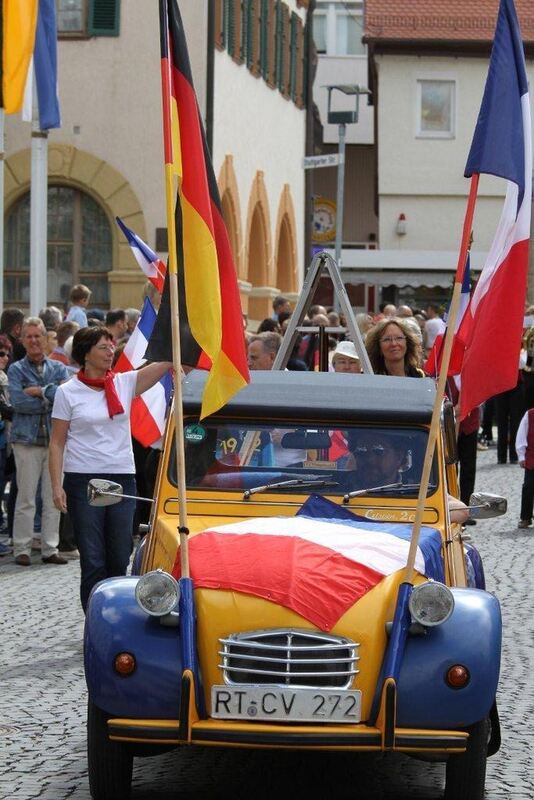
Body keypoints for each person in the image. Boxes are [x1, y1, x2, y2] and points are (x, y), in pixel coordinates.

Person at [49, 326, 173, 611]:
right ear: (85, 353)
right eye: (103, 347)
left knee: (119, 554)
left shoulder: (123, 383)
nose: (110, 352)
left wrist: (179, 347)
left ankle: (117, 615)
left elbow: (162, 365)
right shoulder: (67, 392)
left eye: (111, 346)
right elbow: (57, 443)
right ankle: (95, 618)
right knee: (93, 557)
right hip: (83, 480)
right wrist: (57, 486)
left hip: (121, 476)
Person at [8, 318, 69, 567]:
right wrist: (50, 394)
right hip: (27, 441)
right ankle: (21, 547)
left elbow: (65, 399)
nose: (33, 341)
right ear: (22, 340)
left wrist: (38, 391)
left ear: (46, 338)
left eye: (38, 336)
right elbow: (18, 403)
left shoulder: (58, 367)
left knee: (54, 495)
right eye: (29, 336)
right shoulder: (16, 370)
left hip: (55, 440)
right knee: (26, 496)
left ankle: (49, 547)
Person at [516, 408, 534, 528]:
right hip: (532, 457)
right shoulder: (530, 414)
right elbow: (521, 435)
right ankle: (526, 517)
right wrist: (521, 456)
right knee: (528, 487)